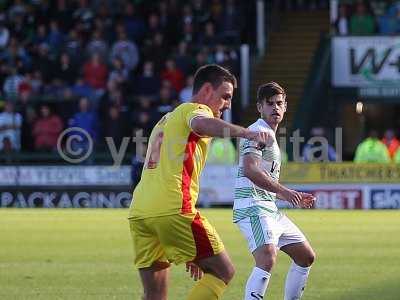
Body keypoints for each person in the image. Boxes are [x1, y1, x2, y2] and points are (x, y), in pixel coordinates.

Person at [128, 64, 269, 300]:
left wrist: (191, 252)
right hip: (174, 209)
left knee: (154, 296)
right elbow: (201, 124)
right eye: (225, 96)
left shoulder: (166, 119)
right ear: (206, 90)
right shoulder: (195, 110)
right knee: (223, 271)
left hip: (141, 212)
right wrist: (248, 133)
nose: (228, 104)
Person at [233, 82, 316, 300]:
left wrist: (289, 196)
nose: (275, 108)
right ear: (260, 106)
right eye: (269, 104)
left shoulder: (269, 133)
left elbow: (264, 179)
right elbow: (250, 171)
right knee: (267, 257)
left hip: (268, 207)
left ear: (286, 106)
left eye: (279, 103)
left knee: (305, 256)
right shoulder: (259, 131)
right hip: (251, 206)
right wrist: (286, 192)